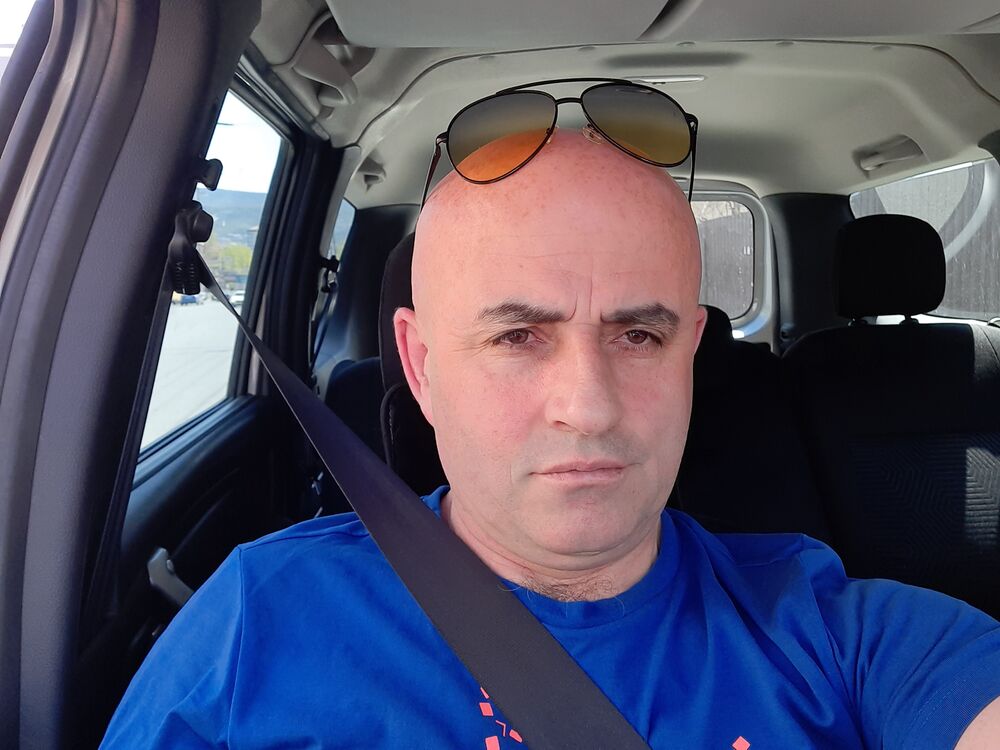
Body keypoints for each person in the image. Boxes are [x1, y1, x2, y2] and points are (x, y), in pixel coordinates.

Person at [101, 121, 1000, 748]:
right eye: (518, 337)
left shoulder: (836, 631)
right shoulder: (257, 620)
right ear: (420, 365)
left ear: (690, 354)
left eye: (638, 336)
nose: (589, 406)